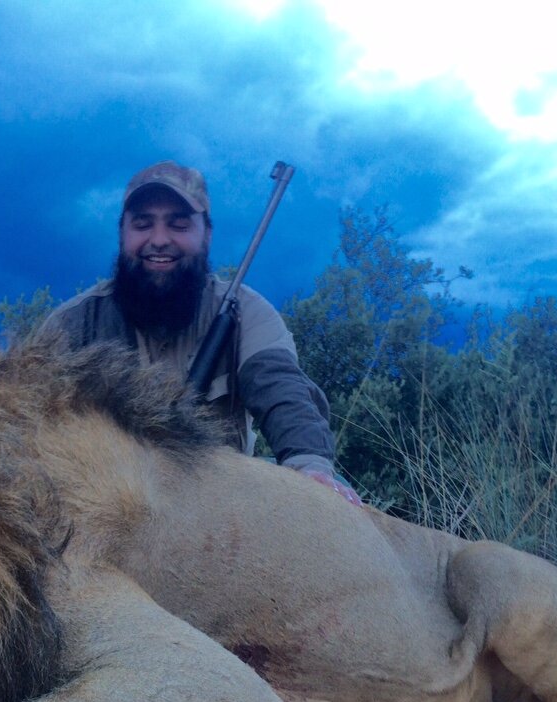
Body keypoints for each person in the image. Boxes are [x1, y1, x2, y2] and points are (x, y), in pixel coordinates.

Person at [40, 160, 359, 504]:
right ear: (122, 233)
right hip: (99, 499)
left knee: (326, 488)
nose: (159, 240)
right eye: (142, 224)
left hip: (215, 498)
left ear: (206, 233)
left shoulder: (249, 313)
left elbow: (282, 391)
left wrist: (308, 464)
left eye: (178, 224)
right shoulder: (72, 323)